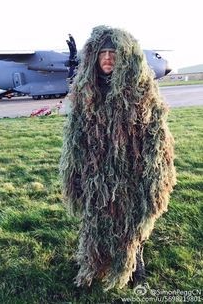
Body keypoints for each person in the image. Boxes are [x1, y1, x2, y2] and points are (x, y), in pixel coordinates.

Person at [60, 25, 176, 290]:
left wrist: (154, 170)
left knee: (131, 221)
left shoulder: (142, 92)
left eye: (114, 53)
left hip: (131, 172)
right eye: (103, 53)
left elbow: (157, 136)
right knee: (96, 219)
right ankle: (94, 264)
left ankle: (135, 262)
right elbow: (75, 135)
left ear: (126, 57)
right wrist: (75, 171)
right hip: (95, 171)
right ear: (94, 58)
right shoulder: (85, 91)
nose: (108, 58)